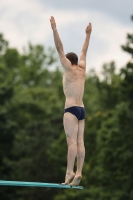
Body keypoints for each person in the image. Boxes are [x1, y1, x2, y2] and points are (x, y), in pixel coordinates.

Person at [50, 16, 92, 186]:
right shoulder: (82, 69)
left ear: (68, 61)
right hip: (82, 109)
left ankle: (69, 172)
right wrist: (88, 34)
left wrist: (54, 29)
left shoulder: (68, 68)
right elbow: (84, 51)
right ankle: (79, 172)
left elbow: (59, 48)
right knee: (80, 141)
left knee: (71, 142)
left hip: (71, 109)